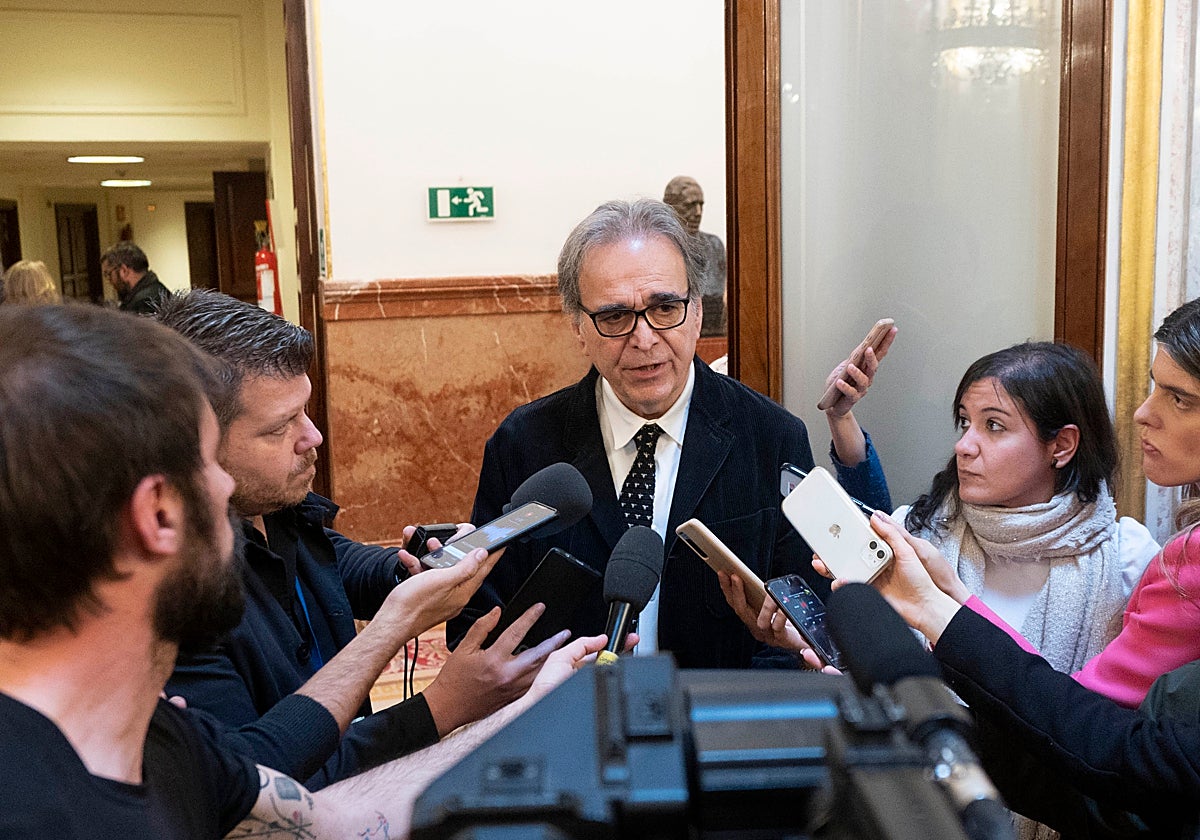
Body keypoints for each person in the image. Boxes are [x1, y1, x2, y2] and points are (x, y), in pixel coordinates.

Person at [451, 198, 893, 669]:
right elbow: (477, 624)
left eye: (665, 308)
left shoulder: (770, 436)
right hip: (569, 718)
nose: (644, 339)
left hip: (718, 724)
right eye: (615, 317)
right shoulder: (524, 444)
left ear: (698, 313)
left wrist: (775, 650)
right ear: (579, 329)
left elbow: (811, 626)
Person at [156, 290, 559, 789]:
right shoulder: (169, 594)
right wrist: (441, 706)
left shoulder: (270, 503)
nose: (314, 436)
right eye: (281, 427)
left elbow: (331, 560)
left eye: (305, 410)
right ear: (194, 442)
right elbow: (260, 784)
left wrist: (402, 570)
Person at [724, 342, 1159, 686]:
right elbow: (874, 680)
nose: (964, 445)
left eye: (994, 426)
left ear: (1060, 446)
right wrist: (809, 648)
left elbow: (1111, 729)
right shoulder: (918, 533)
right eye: (964, 422)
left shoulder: (1126, 560)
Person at [663, 175, 726, 336]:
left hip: (713, 334)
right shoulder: (659, 251)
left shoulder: (714, 245)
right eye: (690, 205)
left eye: (701, 205)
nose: (698, 213)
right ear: (670, 207)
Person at [102, 241, 169, 313]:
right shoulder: (158, 291)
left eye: (109, 274)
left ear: (124, 271)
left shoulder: (144, 303)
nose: (109, 281)